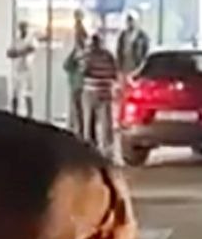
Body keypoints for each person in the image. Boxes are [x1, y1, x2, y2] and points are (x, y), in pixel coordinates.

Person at [82, 33, 121, 165]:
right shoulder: (108, 56)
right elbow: (115, 73)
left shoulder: (87, 56)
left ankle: (90, 153)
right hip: (105, 92)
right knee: (105, 124)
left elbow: (83, 72)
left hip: (90, 93)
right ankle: (107, 153)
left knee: (89, 123)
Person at [62, 10, 90, 136]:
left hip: (79, 83)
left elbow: (68, 65)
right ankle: (78, 128)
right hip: (77, 82)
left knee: (78, 107)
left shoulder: (81, 52)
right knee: (78, 108)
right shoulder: (80, 50)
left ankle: (79, 130)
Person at [6, 21, 37, 117]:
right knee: (15, 92)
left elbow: (31, 49)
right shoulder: (16, 40)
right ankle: (14, 114)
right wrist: (20, 52)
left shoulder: (31, 39)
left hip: (27, 69)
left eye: (24, 27)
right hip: (17, 69)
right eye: (21, 28)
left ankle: (29, 116)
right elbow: (9, 53)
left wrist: (18, 53)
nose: (22, 29)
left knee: (28, 93)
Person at [116, 12, 150, 79]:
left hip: (137, 67)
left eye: (132, 20)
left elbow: (145, 53)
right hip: (124, 66)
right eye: (128, 20)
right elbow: (119, 50)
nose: (130, 23)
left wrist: (142, 66)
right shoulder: (123, 35)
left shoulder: (142, 36)